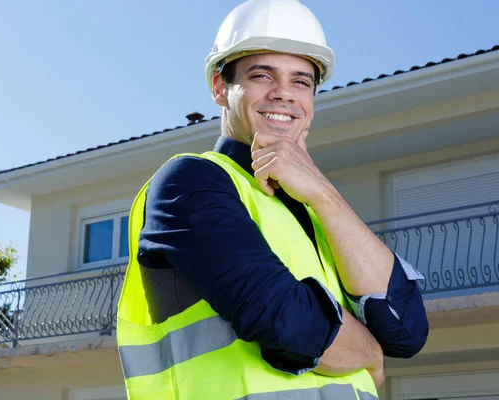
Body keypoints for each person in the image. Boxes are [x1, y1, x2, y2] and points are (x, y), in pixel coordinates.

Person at [117, 0, 428, 399]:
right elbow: (286, 322)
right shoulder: (188, 183)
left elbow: (406, 329)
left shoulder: (316, 213)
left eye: (301, 81)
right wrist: (370, 351)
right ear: (219, 87)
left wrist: (322, 192)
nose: (284, 94)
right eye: (262, 75)